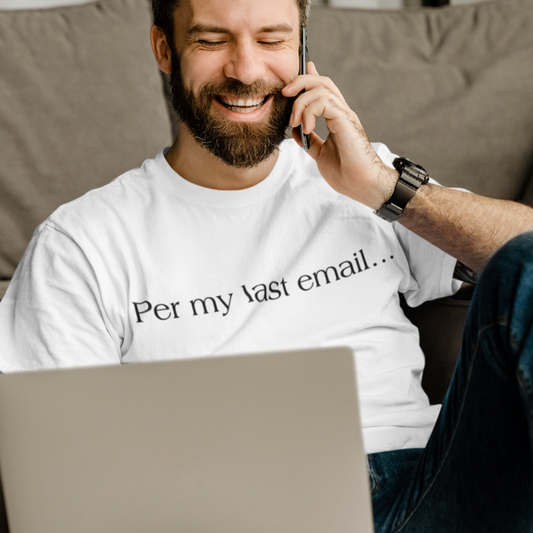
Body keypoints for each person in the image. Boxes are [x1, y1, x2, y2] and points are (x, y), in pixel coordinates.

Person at [0, 0, 532, 529]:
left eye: (272, 40)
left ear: (301, 49)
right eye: (212, 40)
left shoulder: (365, 178)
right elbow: (62, 485)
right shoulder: (80, 243)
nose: (246, 70)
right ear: (166, 50)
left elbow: (522, 265)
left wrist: (387, 188)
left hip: (429, 490)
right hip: (237, 512)